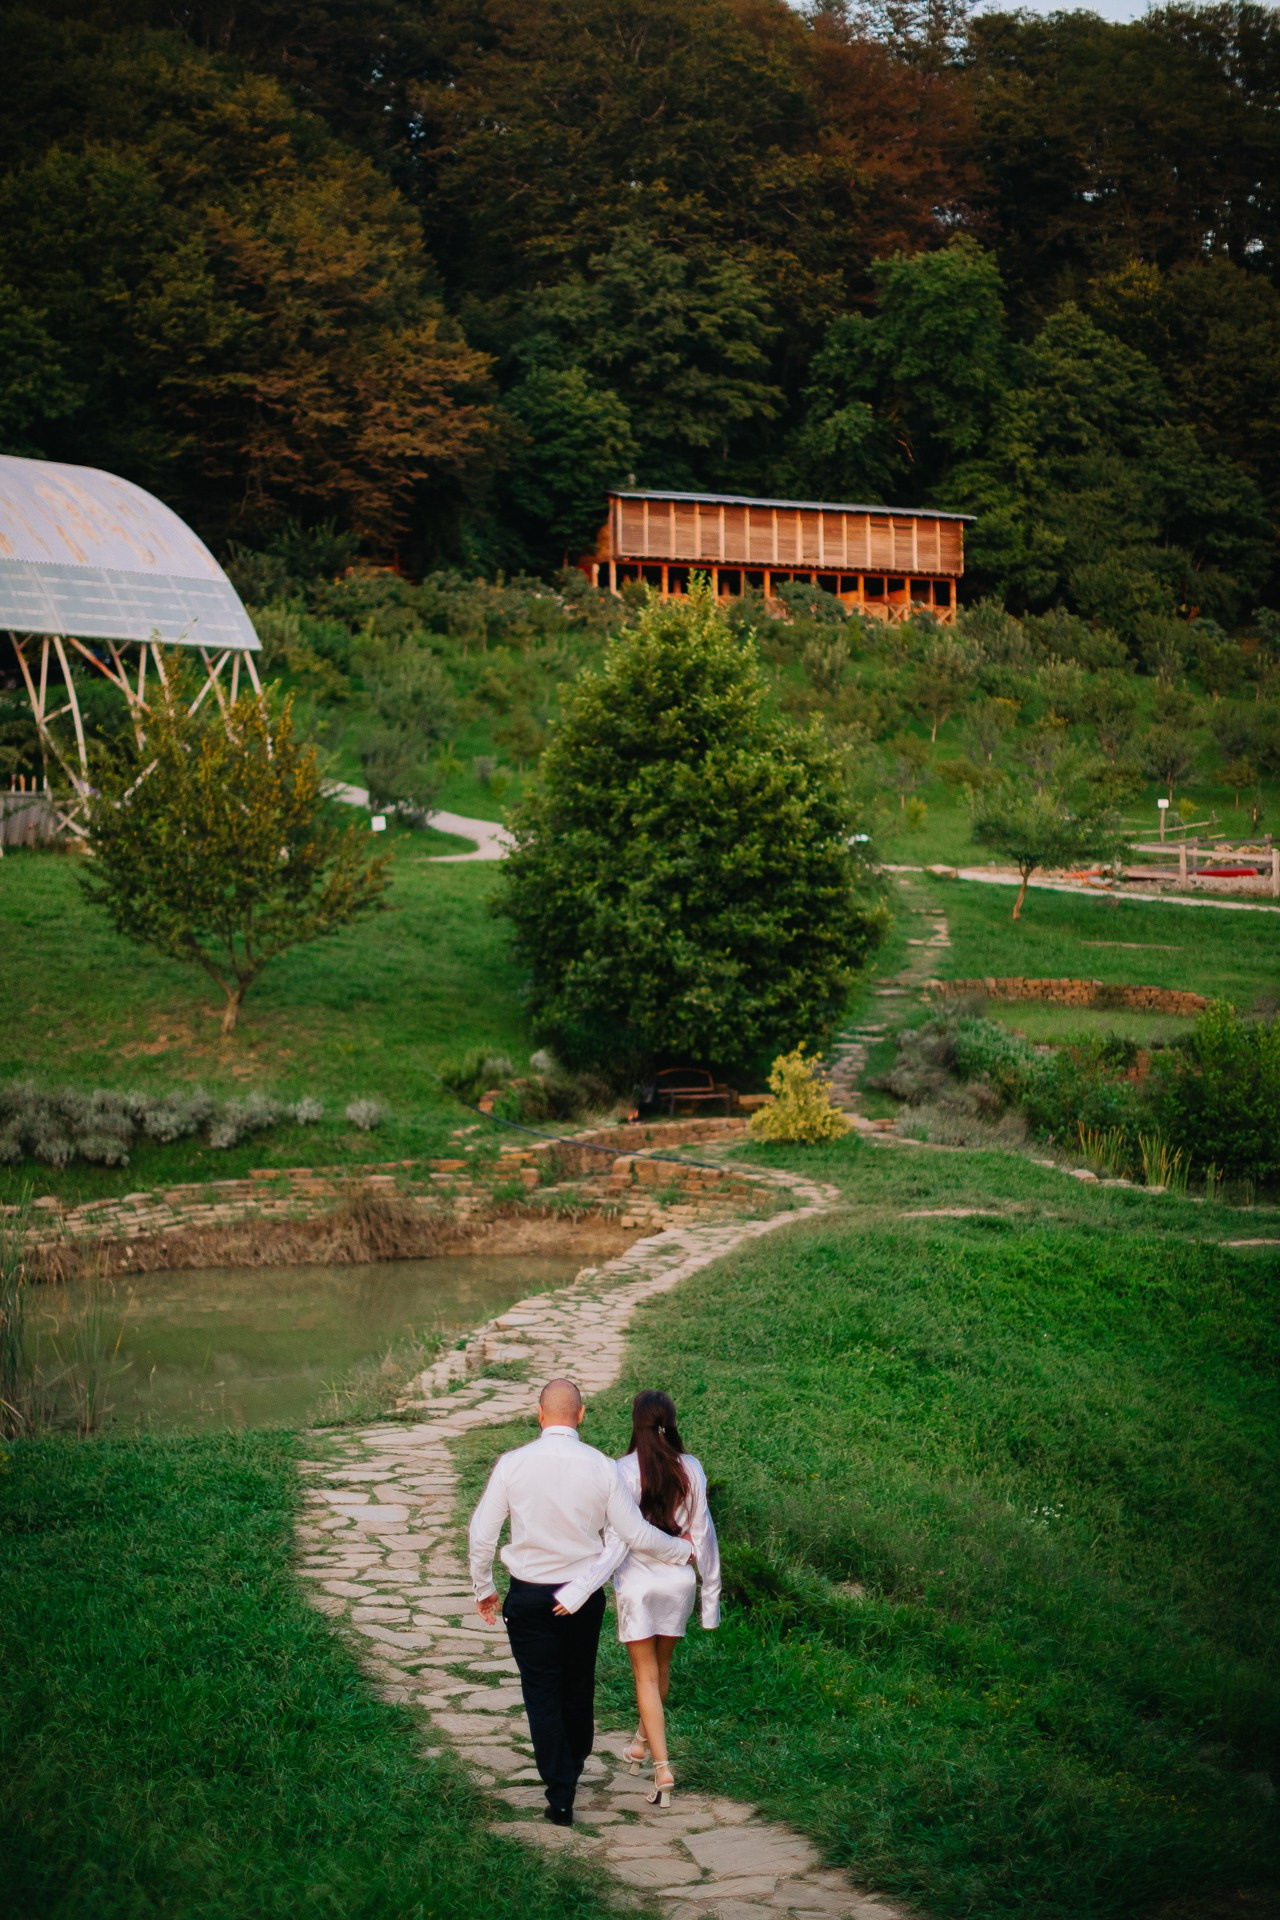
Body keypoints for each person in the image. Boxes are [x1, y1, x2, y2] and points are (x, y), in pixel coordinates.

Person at [468, 1376, 693, 1827]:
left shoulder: (512, 1463)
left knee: (541, 1693)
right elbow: (634, 1534)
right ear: (581, 1414)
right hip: (582, 1597)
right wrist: (681, 1550)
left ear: (539, 1414)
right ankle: (570, 1768)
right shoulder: (601, 1466)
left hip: (529, 1597)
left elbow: (481, 1532)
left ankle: (561, 1788)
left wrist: (484, 1588)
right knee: (577, 1685)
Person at [553, 1389, 720, 1810]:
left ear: (635, 1422)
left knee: (645, 1676)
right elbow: (705, 1536)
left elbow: (615, 1543)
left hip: (638, 1586)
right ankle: (640, 1744)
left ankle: (662, 1768)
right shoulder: (692, 1468)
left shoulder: (621, 1470)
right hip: (679, 1583)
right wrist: (710, 1601)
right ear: (672, 1421)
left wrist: (580, 1588)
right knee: (662, 1669)